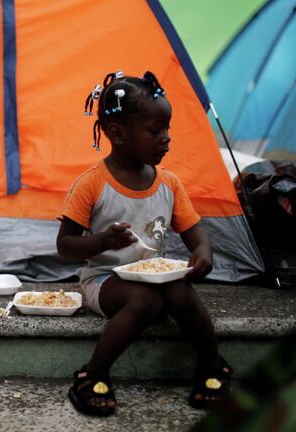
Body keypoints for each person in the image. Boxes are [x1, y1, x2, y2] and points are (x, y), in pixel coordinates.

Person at [57, 70, 232, 416]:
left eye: (168, 129)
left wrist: (203, 253)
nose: (167, 139)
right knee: (145, 299)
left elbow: (195, 233)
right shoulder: (92, 184)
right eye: (156, 131)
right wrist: (102, 240)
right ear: (118, 134)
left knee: (180, 291)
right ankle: (92, 373)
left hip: (159, 281)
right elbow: (65, 246)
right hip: (105, 281)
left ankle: (213, 364)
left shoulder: (169, 183)